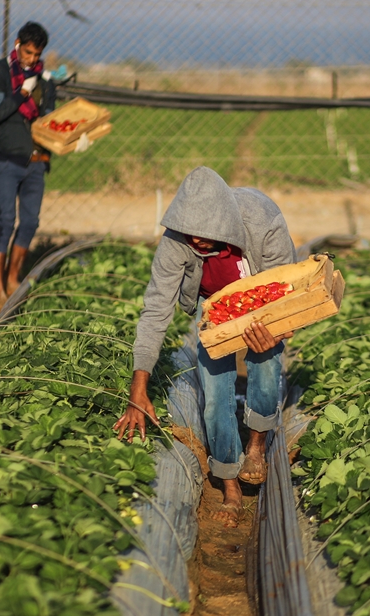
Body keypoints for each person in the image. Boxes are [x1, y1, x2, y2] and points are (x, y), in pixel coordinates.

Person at [115, 166, 295, 527]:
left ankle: (256, 446)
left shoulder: (263, 220)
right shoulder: (176, 240)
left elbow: (286, 289)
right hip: (211, 303)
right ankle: (229, 484)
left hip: (261, 299)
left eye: (206, 232)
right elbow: (156, 309)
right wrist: (138, 389)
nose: (196, 240)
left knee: (265, 366)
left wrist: (276, 330)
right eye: (190, 232)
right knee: (215, 393)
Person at [0, 21, 57, 300]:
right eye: (27, 53)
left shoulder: (46, 83)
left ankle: (13, 279)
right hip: (8, 160)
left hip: (37, 161)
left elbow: (50, 122)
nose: (32, 59)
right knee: (5, 219)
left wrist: (72, 137)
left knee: (30, 222)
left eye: (37, 55)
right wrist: (23, 92)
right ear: (17, 45)